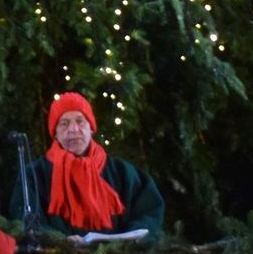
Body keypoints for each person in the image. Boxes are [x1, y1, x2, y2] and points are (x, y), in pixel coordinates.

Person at [11, 92, 164, 238]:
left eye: (80, 121)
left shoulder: (122, 172)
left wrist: (126, 243)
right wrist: (61, 242)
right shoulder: (34, 175)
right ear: (55, 133)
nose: (73, 129)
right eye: (64, 124)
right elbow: (25, 222)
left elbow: (149, 212)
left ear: (91, 128)